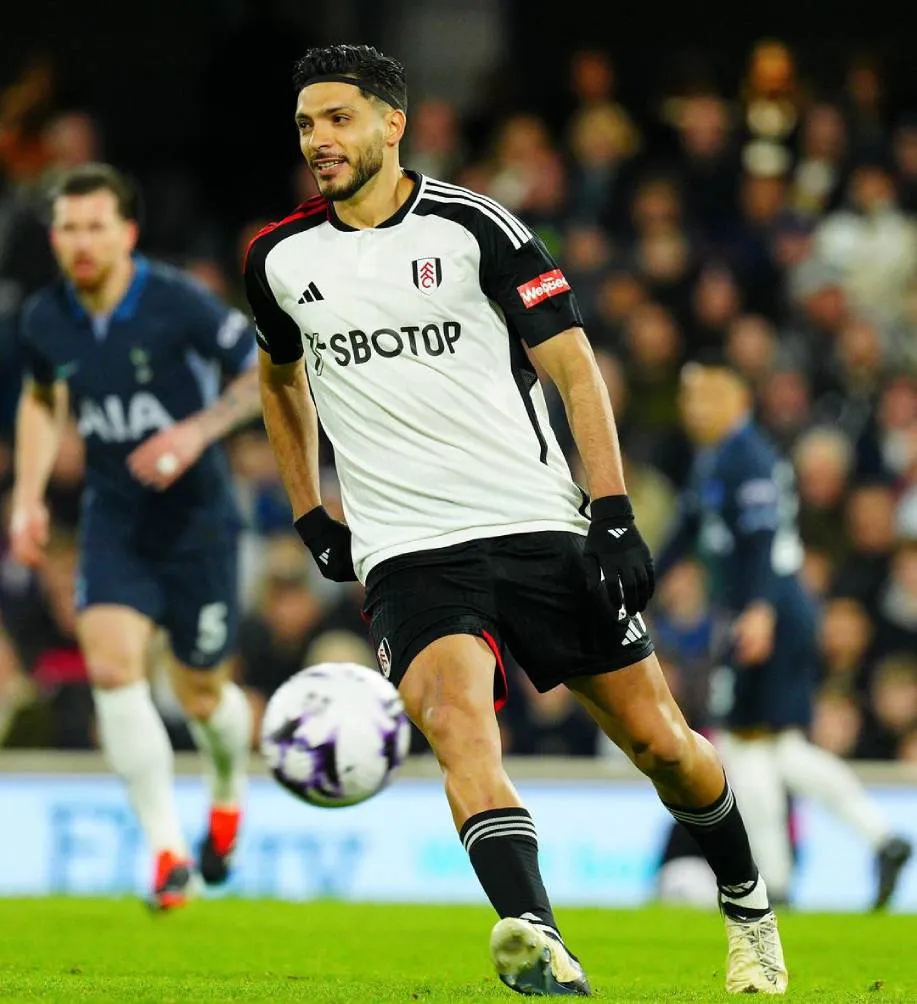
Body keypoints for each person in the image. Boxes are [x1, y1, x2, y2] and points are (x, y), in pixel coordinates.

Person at [247, 43, 787, 996]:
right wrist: (308, 510)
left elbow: (573, 367)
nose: (318, 140)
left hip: (534, 521)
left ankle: (746, 906)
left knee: (662, 743)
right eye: (304, 125)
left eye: (337, 118)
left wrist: (612, 511)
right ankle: (536, 937)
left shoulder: (475, 227)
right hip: (405, 549)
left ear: (390, 122)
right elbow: (278, 377)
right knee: (456, 724)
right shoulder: (280, 258)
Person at [9, 163, 262, 910]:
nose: (81, 242)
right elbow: (39, 401)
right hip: (115, 519)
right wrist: (25, 499)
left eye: (95, 227)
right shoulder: (45, 318)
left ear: (127, 234)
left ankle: (225, 790)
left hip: (198, 522)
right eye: (69, 228)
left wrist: (195, 430)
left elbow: (263, 376)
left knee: (200, 692)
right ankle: (166, 853)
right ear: (54, 237)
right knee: (114, 668)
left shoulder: (179, 302)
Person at [657, 352, 913, 910]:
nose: (692, 408)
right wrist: (639, 582)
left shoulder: (747, 457)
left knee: (746, 743)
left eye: (704, 396)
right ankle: (882, 838)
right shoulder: (718, 458)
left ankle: (778, 878)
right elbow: (685, 532)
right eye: (688, 398)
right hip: (771, 608)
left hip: (770, 610)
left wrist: (758, 611)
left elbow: (764, 543)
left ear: (735, 401)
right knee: (777, 747)